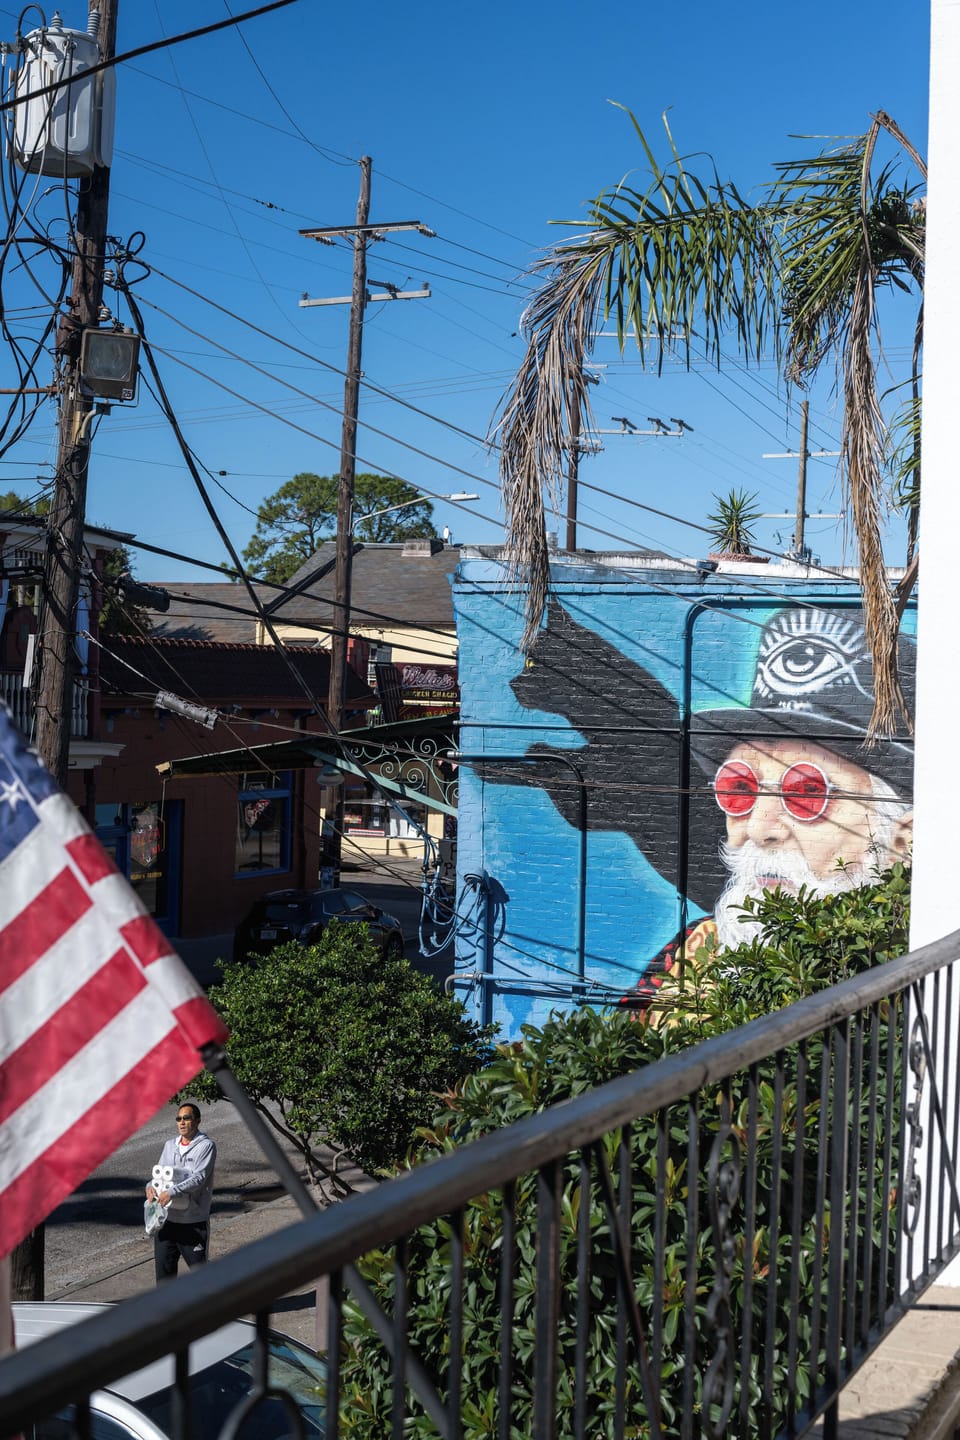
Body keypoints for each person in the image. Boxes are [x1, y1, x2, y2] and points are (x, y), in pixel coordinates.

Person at [627, 606, 915, 1002]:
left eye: (807, 792)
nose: (761, 829)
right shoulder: (685, 956)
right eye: (739, 788)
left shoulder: (920, 971)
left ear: (901, 842)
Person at [145, 1102, 217, 1282]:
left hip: (192, 1222)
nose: (182, 1122)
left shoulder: (206, 1146)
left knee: (201, 1276)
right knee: (164, 1277)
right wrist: (150, 1187)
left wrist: (171, 1192)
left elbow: (199, 1178)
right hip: (166, 1222)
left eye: (187, 1118)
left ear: (197, 1121)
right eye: (179, 1119)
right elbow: (159, 1174)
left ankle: (213, 1308)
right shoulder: (170, 1145)